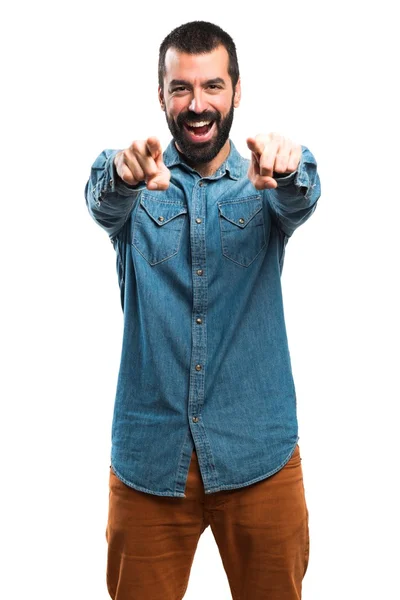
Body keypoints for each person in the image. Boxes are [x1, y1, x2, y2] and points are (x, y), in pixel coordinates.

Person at [85, 20, 321, 600]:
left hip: (258, 452)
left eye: (213, 87)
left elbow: (303, 194)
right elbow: (102, 196)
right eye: (181, 88)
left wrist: (291, 169)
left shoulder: (264, 185)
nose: (197, 104)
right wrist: (122, 173)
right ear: (161, 95)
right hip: (150, 460)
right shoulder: (136, 184)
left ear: (237, 92)